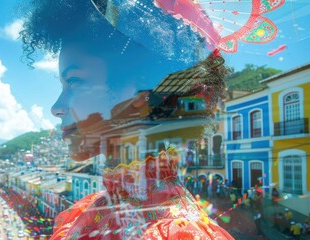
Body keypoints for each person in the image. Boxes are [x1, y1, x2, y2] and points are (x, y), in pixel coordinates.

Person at [20, 0, 233, 238]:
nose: (56, 108)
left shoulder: (176, 233)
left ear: (139, 96)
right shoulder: (99, 208)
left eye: (75, 82)